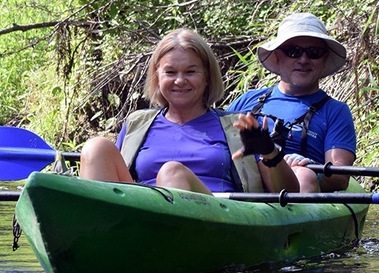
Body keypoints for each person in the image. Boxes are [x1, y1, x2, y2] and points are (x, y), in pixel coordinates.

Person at [77, 28, 299, 195]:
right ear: (158, 77)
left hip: (216, 218)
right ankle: (94, 240)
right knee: (96, 147)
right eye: (171, 72)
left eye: (191, 72)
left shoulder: (238, 127)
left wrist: (269, 152)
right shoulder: (138, 123)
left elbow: (289, 195)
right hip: (141, 218)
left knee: (172, 173)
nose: (180, 81)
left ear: (207, 77)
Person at [227, 12, 357, 192]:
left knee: (303, 176)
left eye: (314, 53)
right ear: (277, 57)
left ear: (324, 58)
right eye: (293, 51)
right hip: (246, 188)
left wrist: (309, 166)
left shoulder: (335, 111)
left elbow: (340, 178)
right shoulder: (248, 100)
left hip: (301, 186)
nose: (303, 60)